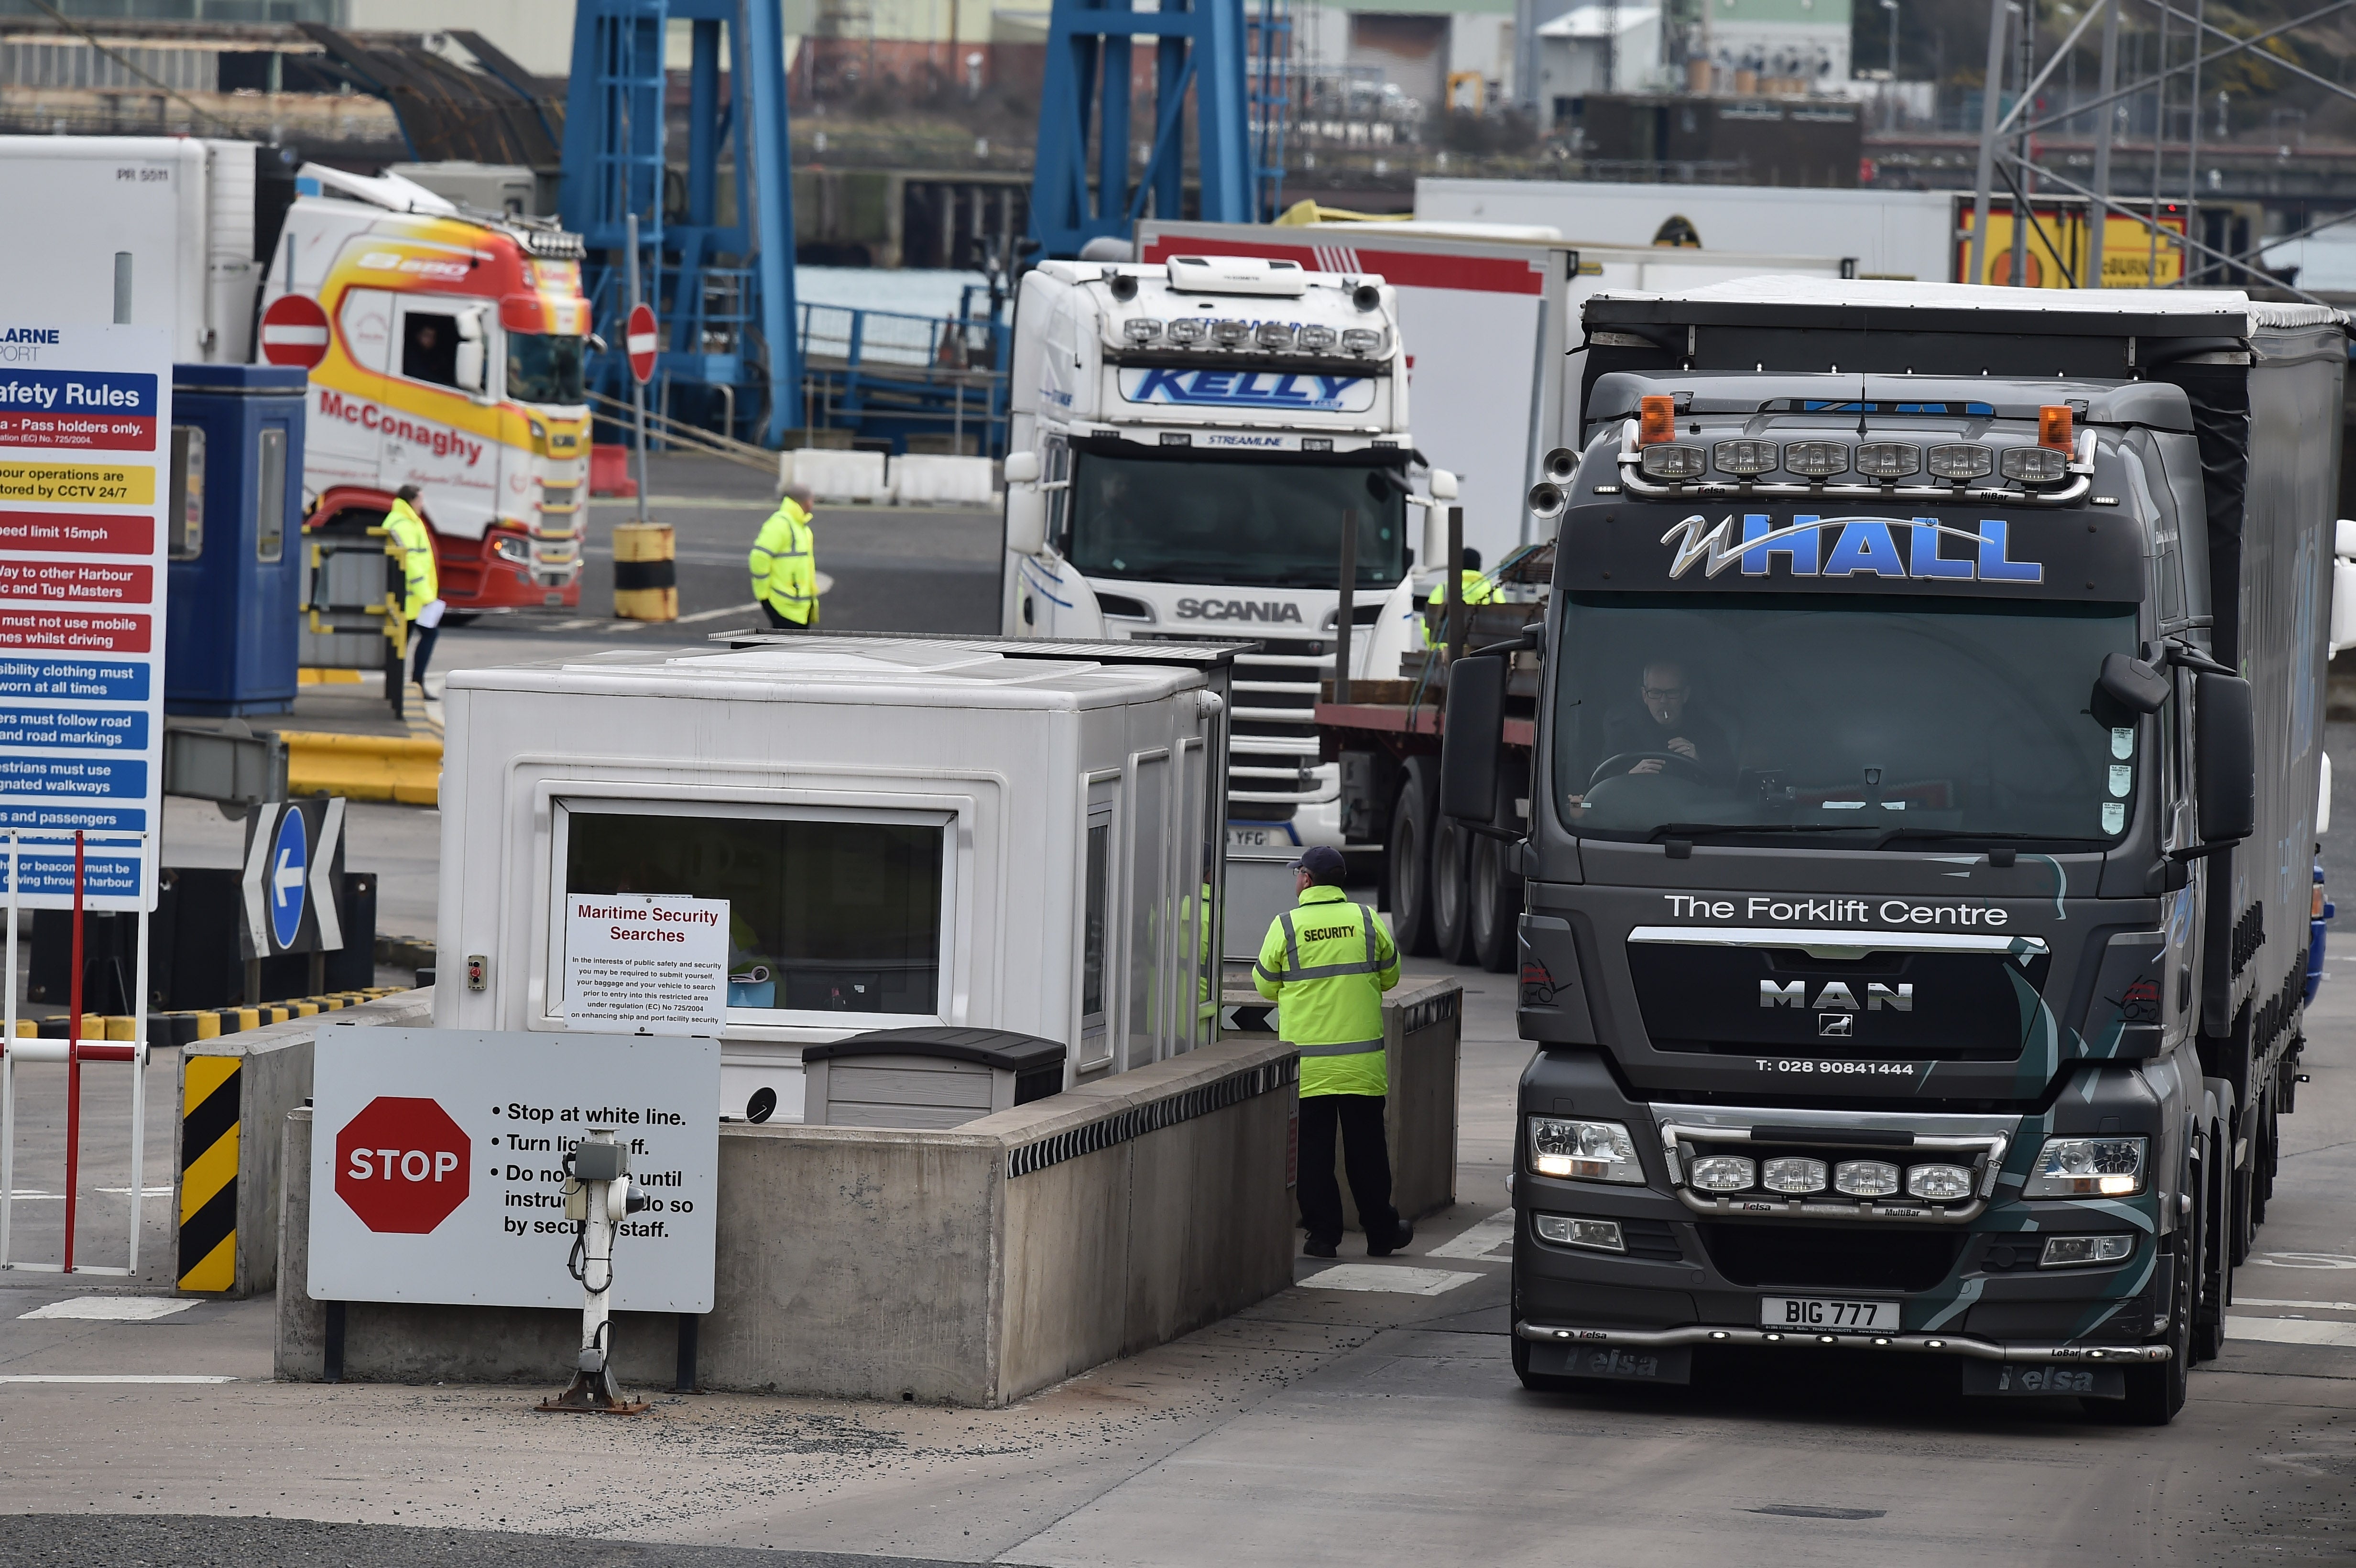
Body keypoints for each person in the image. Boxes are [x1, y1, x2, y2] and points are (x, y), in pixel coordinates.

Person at [1254, 844, 1411, 1260]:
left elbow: (1265, 985)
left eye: (1297, 874)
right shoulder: (1366, 919)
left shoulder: (1286, 926)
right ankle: (1382, 1232)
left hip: (1310, 1069)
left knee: (1313, 1156)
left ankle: (1323, 1237)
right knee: (1368, 1154)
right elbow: (1391, 976)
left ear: (1307, 878)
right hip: (1361, 1066)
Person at [1600, 657, 1736, 780]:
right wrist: (1630, 777)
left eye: (1672, 693)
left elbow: (1730, 785)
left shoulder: (1709, 734)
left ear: (1685, 695)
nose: (1663, 701)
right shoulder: (1624, 731)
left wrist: (1701, 760)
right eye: (1655, 693)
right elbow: (1601, 785)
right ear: (1644, 696)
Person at [383, 485, 443, 693]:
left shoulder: (405, 520)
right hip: (411, 598)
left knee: (402, 644)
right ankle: (413, 684)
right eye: (420, 500)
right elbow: (410, 563)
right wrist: (427, 596)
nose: (423, 504)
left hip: (410, 597)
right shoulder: (404, 524)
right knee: (423, 637)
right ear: (411, 501)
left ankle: (399, 687)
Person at [749, 485, 819, 630]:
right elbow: (759, 557)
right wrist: (763, 594)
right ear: (807, 502)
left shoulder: (800, 526)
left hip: (798, 605)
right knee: (785, 648)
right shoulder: (781, 524)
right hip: (784, 603)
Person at [1422, 546, 1496, 647]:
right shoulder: (1493, 590)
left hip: (1447, 654)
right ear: (1479, 566)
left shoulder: (1444, 589)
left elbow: (1427, 622)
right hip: (1482, 654)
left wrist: (1438, 648)